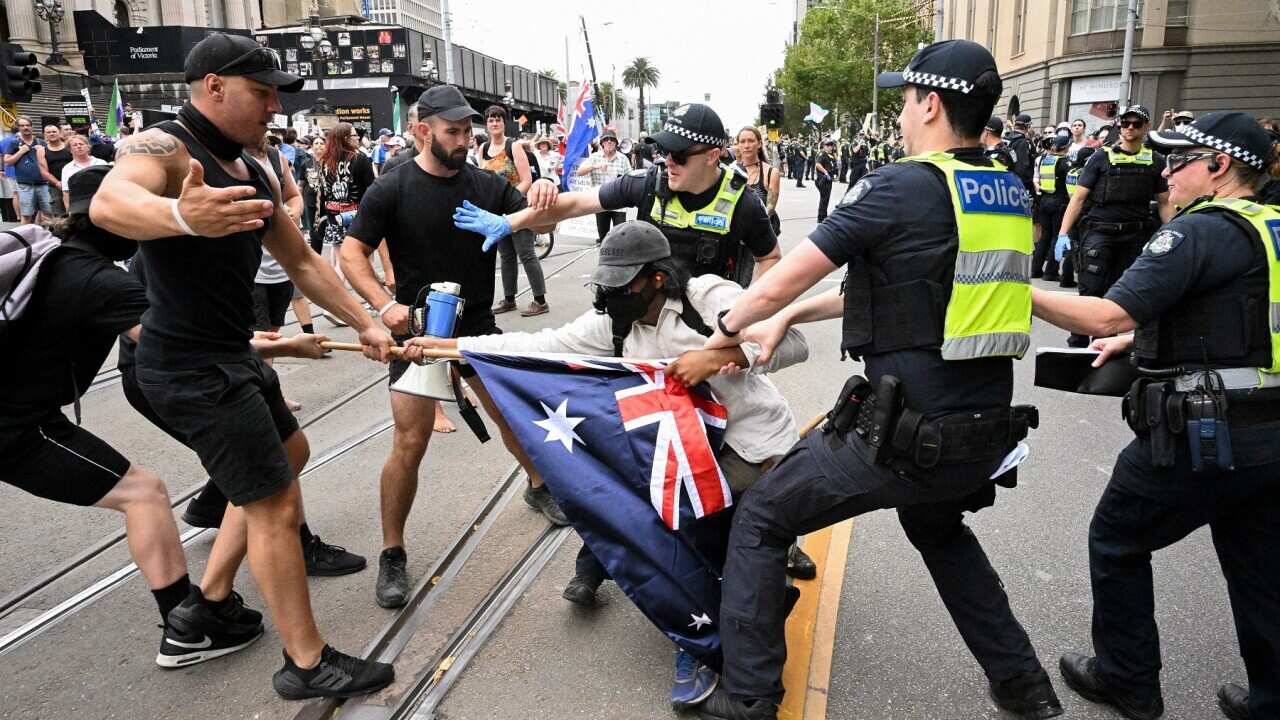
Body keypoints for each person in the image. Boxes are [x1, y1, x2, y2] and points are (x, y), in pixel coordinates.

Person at [693, 40, 1062, 720]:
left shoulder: (897, 185)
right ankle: (1025, 687)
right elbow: (915, 295)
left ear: (930, 102)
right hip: (984, 432)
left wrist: (723, 336)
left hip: (905, 434)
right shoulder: (1004, 190)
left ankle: (748, 701)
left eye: (903, 100)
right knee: (940, 529)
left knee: (762, 518)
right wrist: (794, 316)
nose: (898, 115)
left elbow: (783, 278)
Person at [88, 32, 395, 699]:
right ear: (213, 86)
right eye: (261, 93)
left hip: (233, 356)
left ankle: (208, 601)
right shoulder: (167, 147)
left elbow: (306, 264)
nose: (271, 107)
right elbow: (110, 203)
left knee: (291, 453)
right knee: (274, 504)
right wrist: (180, 215)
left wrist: (369, 323)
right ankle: (307, 665)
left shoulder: (252, 168)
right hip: (189, 367)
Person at [1029, 111, 1280, 720]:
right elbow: (1235, 310)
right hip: (1270, 432)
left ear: (1219, 167)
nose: (1166, 173)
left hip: (1205, 432)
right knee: (1260, 567)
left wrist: (1012, 287)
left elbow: (1103, 315)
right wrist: (1139, 336)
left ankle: (1127, 680)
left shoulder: (1197, 232)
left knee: (1116, 537)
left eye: (1180, 160)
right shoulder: (1271, 226)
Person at [0, 167, 268, 669]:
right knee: (143, 493)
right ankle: (187, 629)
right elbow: (180, 339)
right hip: (19, 428)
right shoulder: (103, 282)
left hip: (23, 415)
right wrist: (276, 346)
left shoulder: (49, 253)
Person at [338, 84, 570, 610]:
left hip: (479, 328)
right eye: (454, 131)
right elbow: (351, 256)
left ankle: (538, 485)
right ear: (423, 130)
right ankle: (392, 552)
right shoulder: (392, 187)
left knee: (511, 416)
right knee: (410, 441)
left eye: (468, 131)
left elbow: (544, 220)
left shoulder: (487, 185)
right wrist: (383, 304)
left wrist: (545, 190)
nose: (464, 139)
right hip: (415, 333)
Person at [460, 103, 781, 290]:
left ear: (712, 156)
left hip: (708, 333)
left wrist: (742, 310)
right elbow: (573, 204)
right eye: (663, 150)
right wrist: (508, 222)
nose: (667, 161)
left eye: (679, 155)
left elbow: (770, 258)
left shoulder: (743, 201)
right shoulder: (647, 183)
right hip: (647, 321)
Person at [1054, 105, 1172, 347]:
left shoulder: (1155, 160)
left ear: (1146, 127)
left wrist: (1170, 235)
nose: (1130, 128)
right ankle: (1078, 340)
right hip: (1100, 232)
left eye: (1136, 124)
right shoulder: (1101, 157)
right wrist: (1063, 233)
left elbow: (1164, 202)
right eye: (1125, 123)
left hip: (1135, 235)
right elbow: (1078, 198)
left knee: (1121, 293)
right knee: (1091, 289)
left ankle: (1104, 342)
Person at [479, 104, 549, 318]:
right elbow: (483, 180)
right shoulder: (482, 149)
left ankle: (540, 300)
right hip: (497, 212)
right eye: (491, 119)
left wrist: (508, 200)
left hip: (518, 207)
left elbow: (526, 180)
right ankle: (510, 299)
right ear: (486, 124)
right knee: (506, 255)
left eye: (498, 119)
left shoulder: (514, 146)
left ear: (504, 122)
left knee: (526, 253)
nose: (494, 122)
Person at [312, 122, 375, 286]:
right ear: (346, 138)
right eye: (354, 135)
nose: (357, 138)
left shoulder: (324, 161)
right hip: (358, 217)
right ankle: (337, 296)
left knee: (341, 260)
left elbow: (324, 191)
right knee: (364, 259)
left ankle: (336, 296)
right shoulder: (360, 159)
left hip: (334, 216)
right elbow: (372, 189)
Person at [578, 128, 632, 243]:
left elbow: (630, 178)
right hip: (600, 202)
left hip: (619, 203)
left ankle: (620, 259)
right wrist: (595, 166)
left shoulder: (623, 159)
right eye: (606, 140)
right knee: (604, 239)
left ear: (616, 143)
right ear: (602, 143)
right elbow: (580, 171)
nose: (609, 142)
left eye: (612, 140)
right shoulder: (594, 157)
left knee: (621, 237)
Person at [2, 116, 56, 223]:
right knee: (26, 215)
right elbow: (7, 161)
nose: (25, 127)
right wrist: (20, 152)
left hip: (43, 183)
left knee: (48, 213)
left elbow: (52, 159)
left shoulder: (41, 142)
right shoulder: (14, 143)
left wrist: (43, 152)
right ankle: (26, 238)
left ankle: (49, 237)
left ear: (31, 127)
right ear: (18, 128)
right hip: (25, 184)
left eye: (27, 125)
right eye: (22, 125)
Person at [1033, 133, 1072, 281]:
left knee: (1044, 237)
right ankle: (1051, 272)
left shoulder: (1044, 160)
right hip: (1059, 202)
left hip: (1044, 200)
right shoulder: (1065, 163)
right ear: (1065, 147)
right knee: (1057, 236)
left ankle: (1036, 269)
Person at [734, 127, 781, 240]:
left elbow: (769, 210)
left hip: (760, 235)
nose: (746, 145)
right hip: (734, 235)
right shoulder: (731, 170)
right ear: (738, 145)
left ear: (759, 144)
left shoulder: (771, 173)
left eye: (751, 141)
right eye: (742, 141)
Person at [59, 134, 108, 211]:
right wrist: (69, 211)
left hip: (101, 204)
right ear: (70, 150)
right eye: (75, 145)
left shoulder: (101, 163)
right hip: (79, 207)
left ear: (88, 147)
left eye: (81, 144)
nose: (78, 146)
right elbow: (66, 192)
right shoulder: (67, 169)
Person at [41, 124, 72, 217]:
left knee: (75, 212)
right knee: (59, 214)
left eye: (54, 131)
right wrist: (57, 183)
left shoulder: (69, 147)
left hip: (73, 183)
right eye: (48, 132)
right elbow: (44, 171)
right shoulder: (41, 151)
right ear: (45, 135)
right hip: (55, 186)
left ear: (59, 133)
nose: (51, 134)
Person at [1006, 113, 1036, 194]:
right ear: (1028, 126)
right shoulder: (1023, 142)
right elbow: (1022, 168)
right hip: (1018, 186)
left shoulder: (1007, 138)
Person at [814, 139, 837, 222]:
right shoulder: (822, 153)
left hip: (828, 179)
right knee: (824, 198)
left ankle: (823, 215)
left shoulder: (829, 154)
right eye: (828, 145)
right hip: (823, 179)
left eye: (831, 145)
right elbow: (818, 164)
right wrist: (825, 172)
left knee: (825, 198)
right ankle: (821, 217)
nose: (830, 147)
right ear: (824, 146)